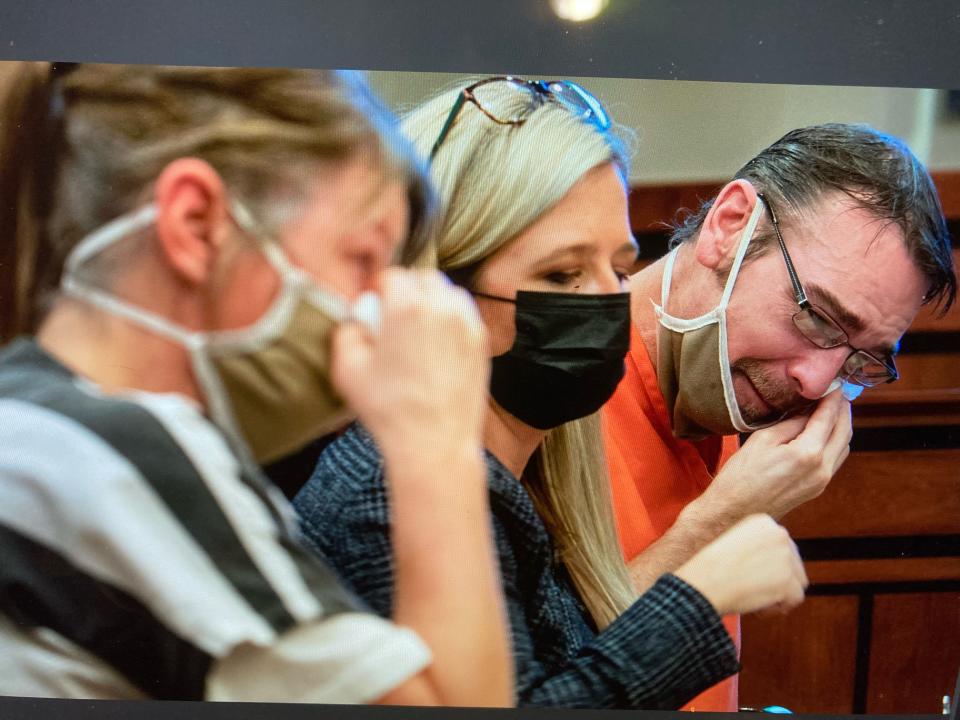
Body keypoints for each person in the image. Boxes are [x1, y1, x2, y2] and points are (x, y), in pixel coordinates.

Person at [0, 62, 513, 706]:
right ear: (195, 224)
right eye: (362, 259)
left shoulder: (33, 419)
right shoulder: (122, 457)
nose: (377, 306)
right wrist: (437, 441)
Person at [295, 76, 812, 710]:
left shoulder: (525, 477)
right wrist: (698, 598)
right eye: (562, 274)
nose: (604, 305)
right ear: (435, 288)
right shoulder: (391, 489)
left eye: (619, 270)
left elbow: (558, 670)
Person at [601, 123, 958, 710]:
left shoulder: (725, 396)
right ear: (730, 224)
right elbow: (536, 684)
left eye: (861, 359)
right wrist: (724, 519)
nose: (817, 382)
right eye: (817, 317)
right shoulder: (548, 386)